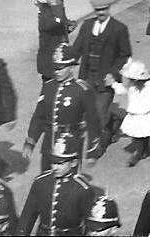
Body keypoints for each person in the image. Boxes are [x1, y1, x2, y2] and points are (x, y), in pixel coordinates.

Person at [23, 43, 102, 172]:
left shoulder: (82, 90)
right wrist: (31, 141)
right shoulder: (48, 87)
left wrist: (92, 151)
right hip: (49, 143)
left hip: (71, 144)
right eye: (55, 68)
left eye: (61, 68)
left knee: (68, 182)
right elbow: (39, 116)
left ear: (71, 67)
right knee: (46, 179)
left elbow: (93, 121)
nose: (57, 72)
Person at [71, 0, 131, 153]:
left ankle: (97, 147)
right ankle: (112, 122)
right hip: (87, 76)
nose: (101, 13)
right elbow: (77, 48)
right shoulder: (87, 25)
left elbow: (125, 54)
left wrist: (114, 73)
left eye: (104, 9)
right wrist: (68, 63)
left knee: (98, 114)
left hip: (106, 79)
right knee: (86, 110)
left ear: (109, 8)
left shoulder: (119, 29)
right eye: (98, 10)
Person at [18, 133, 100, 235]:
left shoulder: (83, 189)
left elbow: (90, 223)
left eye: (60, 163)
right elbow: (28, 214)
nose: (55, 167)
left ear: (73, 162)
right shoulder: (41, 182)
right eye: (53, 162)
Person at [111, 59, 150, 166]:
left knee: (143, 134)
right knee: (137, 135)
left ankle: (139, 152)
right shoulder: (132, 87)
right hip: (135, 115)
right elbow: (122, 90)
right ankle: (143, 150)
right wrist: (113, 84)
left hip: (147, 114)